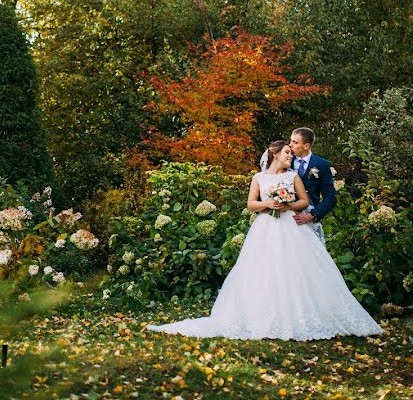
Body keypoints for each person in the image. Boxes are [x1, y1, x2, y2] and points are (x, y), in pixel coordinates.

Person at [146, 140, 383, 341]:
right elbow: (251, 204)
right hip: (266, 227)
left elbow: (303, 201)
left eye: (292, 151)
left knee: (296, 270)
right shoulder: (258, 178)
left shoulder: (292, 177)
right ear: (275, 155)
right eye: (287, 153)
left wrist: (288, 205)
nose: (291, 155)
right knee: (263, 270)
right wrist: (268, 204)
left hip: (291, 226)